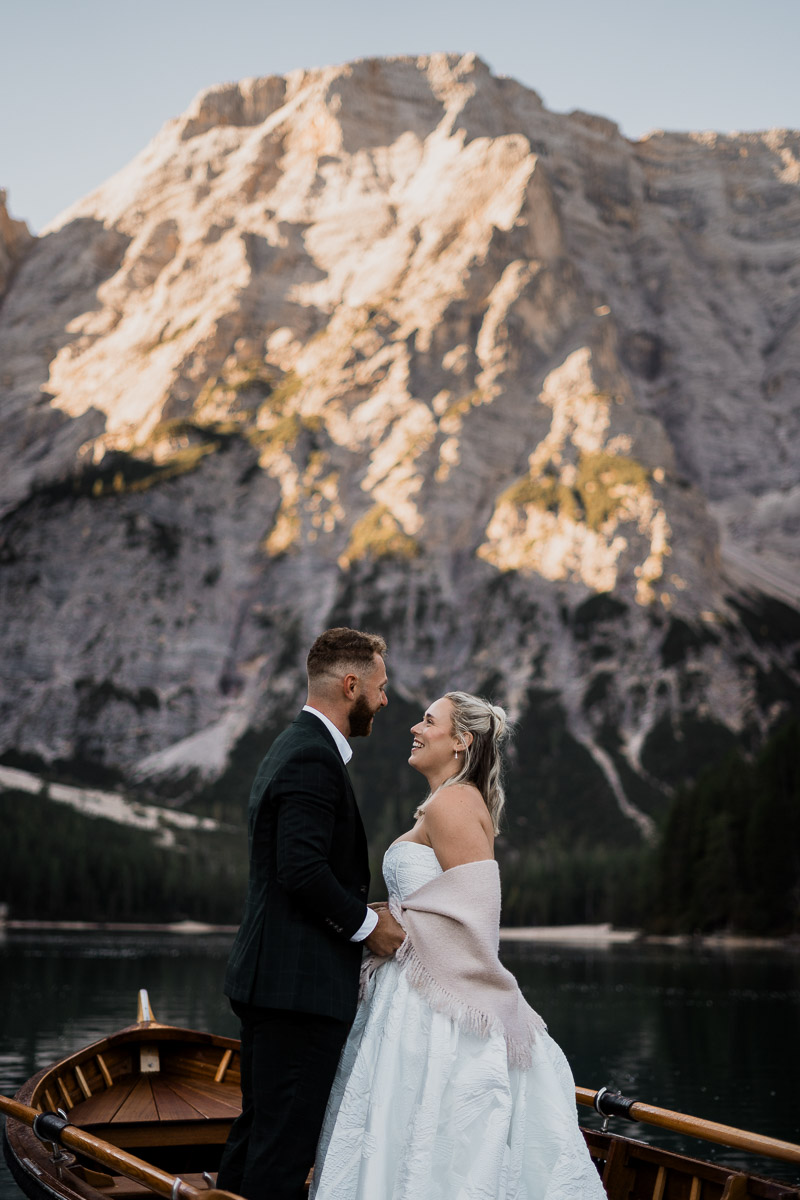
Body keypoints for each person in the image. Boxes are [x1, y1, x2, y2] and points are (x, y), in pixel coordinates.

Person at [311, 691, 607, 1200]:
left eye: (428, 721)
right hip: (412, 990)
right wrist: (391, 916)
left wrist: (398, 931)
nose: (414, 728)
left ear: (461, 740)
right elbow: (438, 902)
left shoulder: (453, 802)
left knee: (423, 1127)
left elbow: (474, 916)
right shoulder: (444, 802)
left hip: (431, 1001)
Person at [217, 627, 405, 1200]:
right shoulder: (312, 757)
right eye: (380, 686)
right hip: (296, 990)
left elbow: (299, 867)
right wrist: (370, 927)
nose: (386, 699)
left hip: (273, 983)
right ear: (351, 685)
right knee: (282, 1150)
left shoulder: (294, 745)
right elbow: (300, 870)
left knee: (260, 1134)